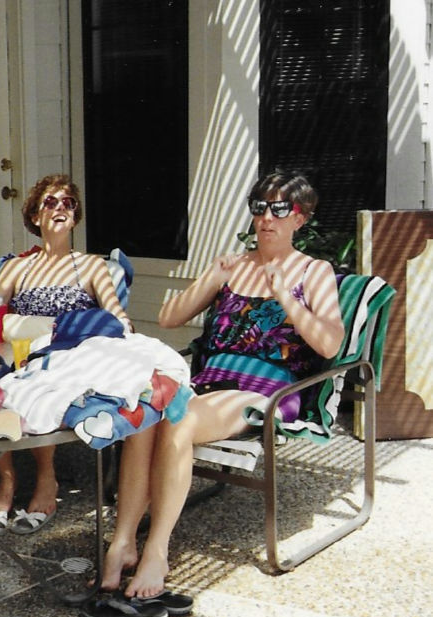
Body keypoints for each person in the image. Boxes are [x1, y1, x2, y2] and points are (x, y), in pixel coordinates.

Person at [99, 170, 344, 604]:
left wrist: (286, 297)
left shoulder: (314, 271)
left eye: (280, 209)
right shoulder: (235, 266)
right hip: (209, 382)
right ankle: (123, 543)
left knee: (177, 419)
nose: (267, 217)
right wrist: (212, 277)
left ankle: (157, 551)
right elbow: (171, 317)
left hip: (266, 390)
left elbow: (329, 342)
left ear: (300, 218)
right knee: (143, 413)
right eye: (260, 207)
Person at [0, 174, 132, 535]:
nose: (60, 208)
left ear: (75, 216)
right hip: (16, 354)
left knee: (38, 379)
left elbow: (115, 314)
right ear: (35, 218)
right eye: (50, 202)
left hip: (66, 355)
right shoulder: (17, 267)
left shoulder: (90, 266)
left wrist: (125, 333)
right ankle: (6, 482)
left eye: (68, 203)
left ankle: (45, 479)